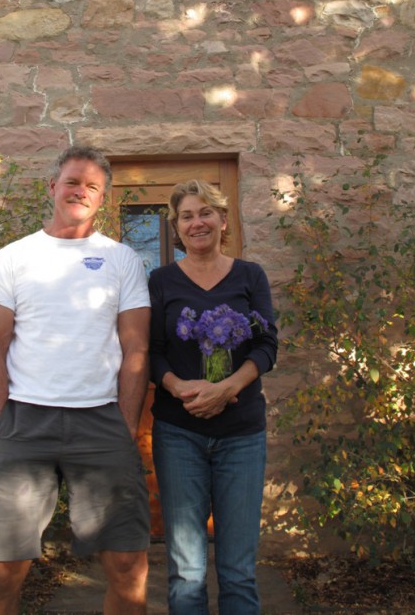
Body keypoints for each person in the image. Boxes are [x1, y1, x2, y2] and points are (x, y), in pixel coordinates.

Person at [0, 145, 151, 615]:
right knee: (2, 570)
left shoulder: (123, 260)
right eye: (73, 182)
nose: (81, 192)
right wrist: (2, 426)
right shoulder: (14, 257)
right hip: (26, 424)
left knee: (128, 564)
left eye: (92, 186)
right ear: (52, 187)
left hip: (101, 423)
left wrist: (125, 427)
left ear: (103, 199)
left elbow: (136, 349)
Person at [149, 179, 278, 615]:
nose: (196, 222)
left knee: (238, 568)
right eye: (186, 216)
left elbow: (266, 346)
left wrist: (228, 387)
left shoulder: (250, 275)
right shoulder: (160, 280)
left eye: (206, 213)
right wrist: (176, 386)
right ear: (176, 227)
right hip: (178, 432)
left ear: (223, 221)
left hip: (241, 434)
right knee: (186, 570)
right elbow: (152, 352)